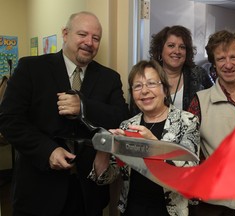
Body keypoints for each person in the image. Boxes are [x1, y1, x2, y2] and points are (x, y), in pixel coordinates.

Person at [0, 11, 129, 216]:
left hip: (88, 193)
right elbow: (9, 120)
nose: (89, 42)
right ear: (65, 34)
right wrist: (47, 151)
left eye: (96, 38)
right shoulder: (31, 68)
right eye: (82, 34)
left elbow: (121, 119)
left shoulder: (110, 78)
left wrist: (84, 106)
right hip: (38, 190)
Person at [89, 60, 200, 216]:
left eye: (151, 83)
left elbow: (190, 175)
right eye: (138, 86)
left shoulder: (187, 121)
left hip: (169, 211)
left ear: (165, 89)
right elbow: (105, 177)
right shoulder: (127, 126)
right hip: (132, 209)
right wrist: (104, 147)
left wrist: (153, 145)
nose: (144, 91)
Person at [187, 29, 235, 216]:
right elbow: (187, 149)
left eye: (233, 57)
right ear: (213, 64)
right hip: (210, 203)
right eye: (221, 59)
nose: (228, 64)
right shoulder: (199, 101)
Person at [145, 25, 214, 112]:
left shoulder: (199, 74)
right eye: (171, 46)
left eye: (182, 47)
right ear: (160, 50)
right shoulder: (148, 76)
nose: (177, 51)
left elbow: (215, 102)